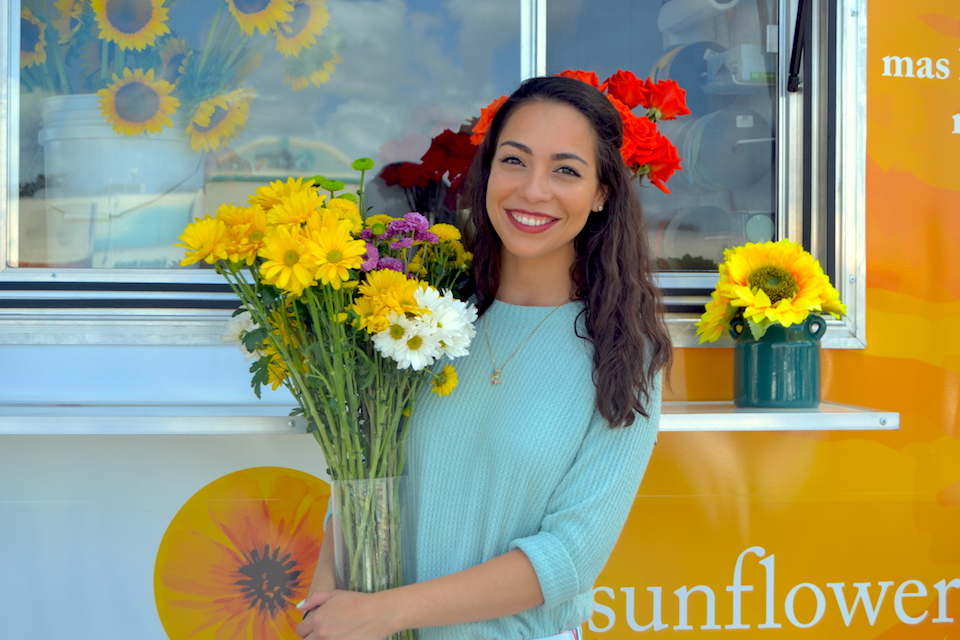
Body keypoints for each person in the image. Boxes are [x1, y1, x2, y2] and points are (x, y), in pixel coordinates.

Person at [296, 75, 672, 640]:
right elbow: (358, 481)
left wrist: (389, 612)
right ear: (488, 171)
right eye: (514, 161)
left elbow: (570, 555)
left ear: (602, 193)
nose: (533, 190)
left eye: (566, 170)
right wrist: (328, 611)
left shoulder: (624, 352)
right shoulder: (418, 314)